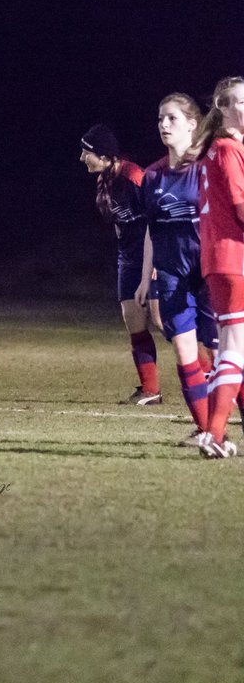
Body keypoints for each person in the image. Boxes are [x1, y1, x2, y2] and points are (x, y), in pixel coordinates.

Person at [134, 94, 216, 447]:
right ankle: (205, 430)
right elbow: (151, 229)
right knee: (185, 352)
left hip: (210, 273)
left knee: (223, 353)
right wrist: (144, 275)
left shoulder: (208, 168)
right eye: (160, 119)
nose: (163, 125)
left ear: (192, 124)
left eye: (171, 119)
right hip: (171, 276)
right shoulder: (152, 176)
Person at [79, 123, 161, 405]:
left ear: (104, 155)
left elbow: (156, 219)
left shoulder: (134, 176)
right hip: (127, 258)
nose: (81, 158)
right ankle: (151, 390)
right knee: (134, 323)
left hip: (153, 256)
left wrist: (156, 261)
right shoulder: (105, 180)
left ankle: (213, 375)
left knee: (165, 323)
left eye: (86, 152)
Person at [194, 76, 244, 459]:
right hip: (233, 258)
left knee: (231, 348)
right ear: (223, 108)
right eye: (240, 102)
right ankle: (213, 433)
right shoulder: (227, 149)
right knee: (234, 351)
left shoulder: (214, 149)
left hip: (218, 259)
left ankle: (214, 432)